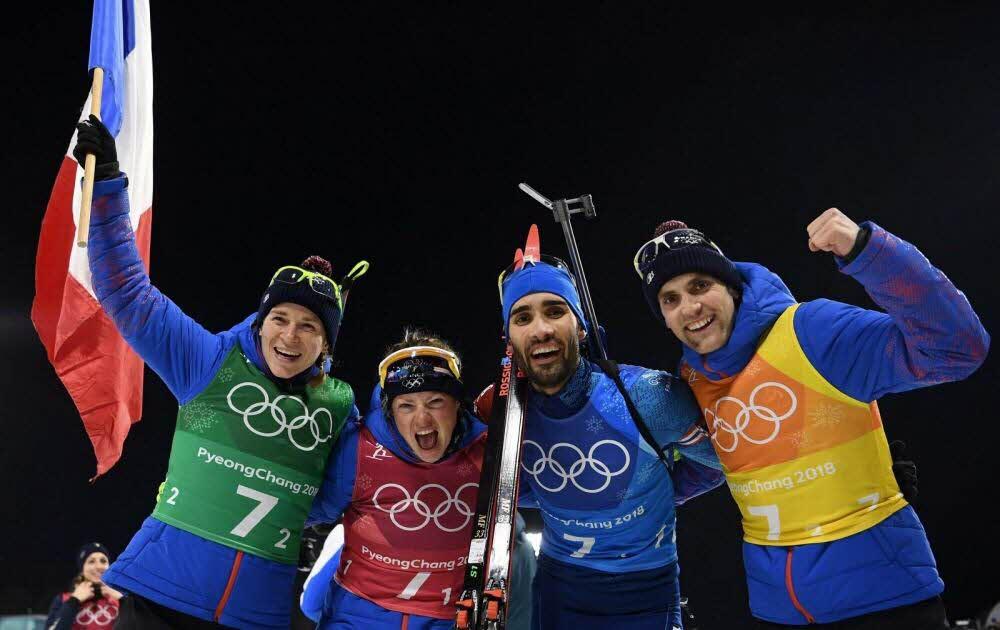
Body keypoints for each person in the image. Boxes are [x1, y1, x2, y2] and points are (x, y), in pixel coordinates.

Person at [632, 209, 989, 628]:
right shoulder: (693, 376)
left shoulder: (812, 331)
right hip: (778, 610)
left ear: (730, 285)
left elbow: (955, 350)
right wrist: (628, 498)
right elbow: (717, 462)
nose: (690, 307)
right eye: (670, 299)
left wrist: (870, 252)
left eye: (700, 285)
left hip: (882, 602)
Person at [73, 115, 362, 629]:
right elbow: (127, 293)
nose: (290, 336)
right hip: (158, 597)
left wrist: (278, 501)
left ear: (326, 345)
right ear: (260, 323)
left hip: (254, 612)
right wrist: (108, 188)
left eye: (309, 327)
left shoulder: (339, 407)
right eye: (280, 319)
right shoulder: (208, 362)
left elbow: (335, 496)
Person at [489, 230, 725, 630]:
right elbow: (507, 489)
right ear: (509, 338)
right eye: (522, 317)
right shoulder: (503, 410)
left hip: (646, 590)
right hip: (560, 589)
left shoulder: (649, 396)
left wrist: (663, 491)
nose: (541, 329)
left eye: (555, 311)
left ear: (581, 327)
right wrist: (559, 496)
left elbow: (716, 464)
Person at [307, 329, 540, 629]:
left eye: (435, 402)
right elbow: (306, 509)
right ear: (390, 411)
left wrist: (544, 412)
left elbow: (553, 492)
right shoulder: (359, 448)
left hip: (445, 620)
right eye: (406, 405)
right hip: (355, 618)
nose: (422, 419)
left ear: (457, 403)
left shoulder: (488, 451)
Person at [45, 543, 122, 629]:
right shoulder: (63, 599)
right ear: (82, 569)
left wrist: (123, 601)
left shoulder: (120, 598)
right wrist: (74, 601)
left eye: (103, 561)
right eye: (91, 561)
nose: (99, 566)